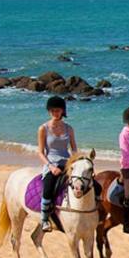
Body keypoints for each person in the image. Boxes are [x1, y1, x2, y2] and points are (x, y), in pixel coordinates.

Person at [37, 96, 77, 232]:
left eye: (58, 110)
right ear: (49, 111)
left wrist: (76, 163)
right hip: (52, 164)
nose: (55, 113)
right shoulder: (43, 129)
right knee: (48, 188)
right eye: (53, 110)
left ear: (62, 111)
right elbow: (40, 153)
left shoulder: (69, 128)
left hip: (67, 163)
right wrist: (51, 167)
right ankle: (44, 219)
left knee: (84, 183)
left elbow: (74, 149)